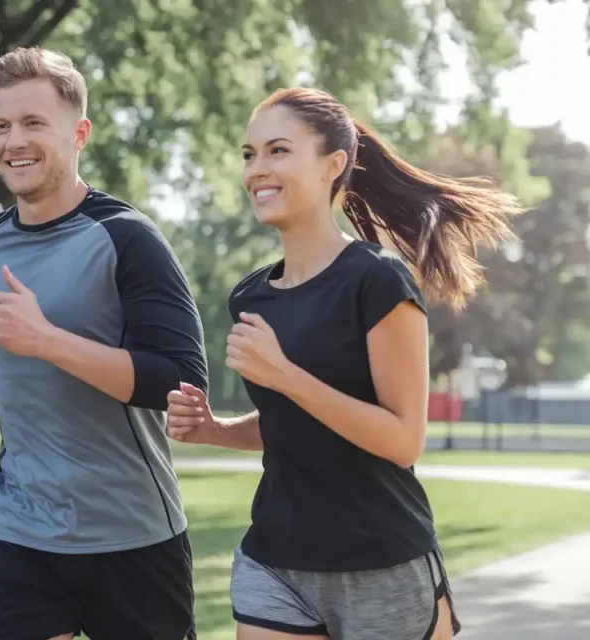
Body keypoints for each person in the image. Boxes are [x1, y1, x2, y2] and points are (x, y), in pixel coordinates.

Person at [166, 87, 521, 640]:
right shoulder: (251, 298)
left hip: (382, 564)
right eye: (249, 154)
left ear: (334, 165)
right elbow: (294, 424)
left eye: (278, 151)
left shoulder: (376, 280)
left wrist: (284, 374)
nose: (258, 168)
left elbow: (403, 439)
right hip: (276, 562)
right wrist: (215, 429)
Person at [0, 46, 208, 640]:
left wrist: (48, 341)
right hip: (19, 534)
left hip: (132, 535)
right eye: (2, 126)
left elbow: (180, 379)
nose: (13, 141)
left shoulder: (128, 238)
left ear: (79, 134)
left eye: (32, 124)